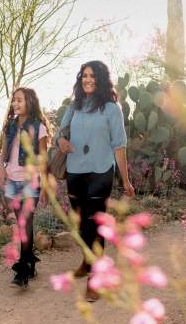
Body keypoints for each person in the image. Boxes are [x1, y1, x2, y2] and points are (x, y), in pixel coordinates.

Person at [55, 60, 135, 302]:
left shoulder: (112, 109)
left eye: (92, 76)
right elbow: (60, 131)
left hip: (101, 172)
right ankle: (87, 263)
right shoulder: (74, 105)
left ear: (100, 79)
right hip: (75, 171)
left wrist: (126, 180)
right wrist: (61, 141)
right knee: (81, 224)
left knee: (94, 224)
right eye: (84, 76)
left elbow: (119, 146)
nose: (87, 80)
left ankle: (95, 280)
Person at [0, 87, 50, 288]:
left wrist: (44, 186)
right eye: (14, 100)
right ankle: (31, 262)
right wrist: (1, 169)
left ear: (30, 102)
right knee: (21, 224)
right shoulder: (9, 126)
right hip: (12, 179)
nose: (16, 104)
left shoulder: (39, 127)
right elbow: (4, 152)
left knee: (25, 221)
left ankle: (23, 270)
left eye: (20, 100)